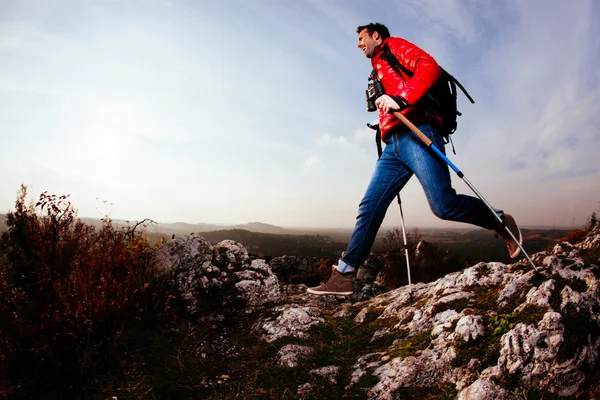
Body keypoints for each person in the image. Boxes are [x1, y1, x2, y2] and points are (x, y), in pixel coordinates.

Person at [307, 23, 523, 296]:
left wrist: (402, 98)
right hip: (393, 145)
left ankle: (500, 222)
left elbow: (429, 67)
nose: (358, 44)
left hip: (417, 132)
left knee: (443, 205)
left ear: (376, 35)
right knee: (370, 206)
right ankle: (344, 275)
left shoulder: (394, 46)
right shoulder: (377, 68)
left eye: (362, 38)